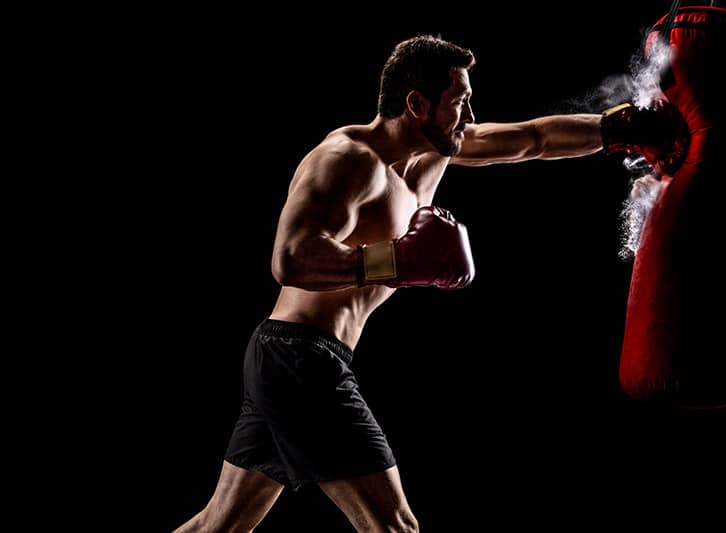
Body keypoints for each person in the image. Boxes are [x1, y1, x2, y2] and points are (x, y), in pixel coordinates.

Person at [174, 34, 687, 532]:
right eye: (459, 102)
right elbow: (290, 259)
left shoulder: (435, 152)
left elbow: (533, 140)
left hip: (294, 357)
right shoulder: (347, 161)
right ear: (417, 103)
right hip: (301, 358)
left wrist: (614, 128)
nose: (468, 116)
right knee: (394, 526)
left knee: (220, 524)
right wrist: (394, 261)